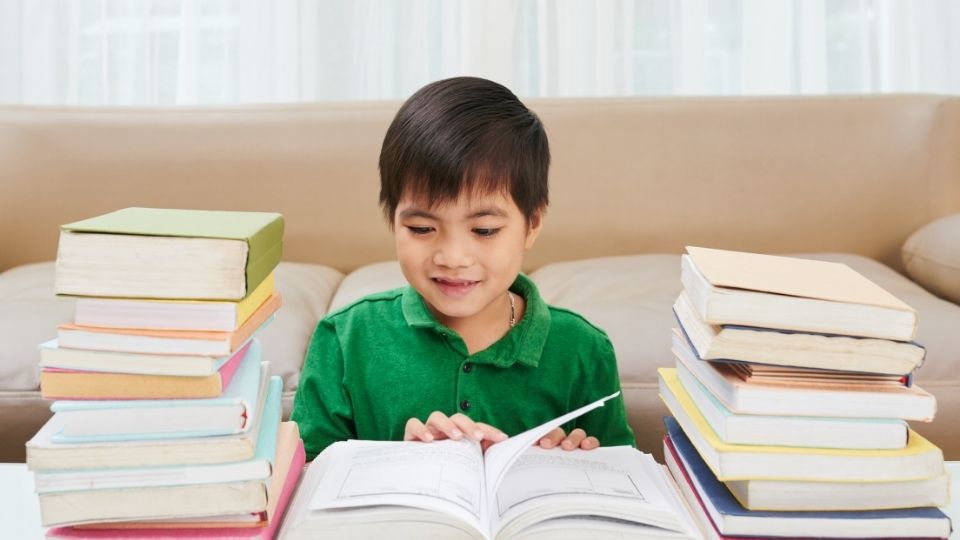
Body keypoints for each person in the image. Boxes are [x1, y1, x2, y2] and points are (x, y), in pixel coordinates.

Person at [292, 76, 634, 460]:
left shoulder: (583, 350)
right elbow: (306, 480)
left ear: (532, 224)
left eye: (484, 230)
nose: (453, 257)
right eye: (421, 228)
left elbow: (622, 478)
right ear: (393, 221)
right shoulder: (344, 339)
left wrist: (575, 463)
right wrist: (397, 464)